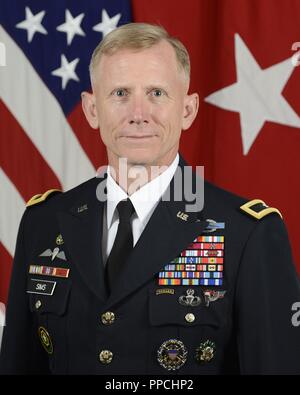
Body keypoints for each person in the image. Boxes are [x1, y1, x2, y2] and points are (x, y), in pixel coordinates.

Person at [0, 23, 299, 375]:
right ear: (92, 109)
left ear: (187, 110)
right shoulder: (44, 222)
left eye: (157, 93)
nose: (138, 113)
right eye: (120, 93)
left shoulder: (248, 235)